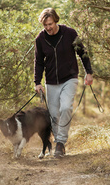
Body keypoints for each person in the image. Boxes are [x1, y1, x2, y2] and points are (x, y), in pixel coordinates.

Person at [34, 8, 94, 158]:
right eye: (45, 25)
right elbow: (39, 62)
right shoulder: (40, 39)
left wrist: (89, 72)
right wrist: (37, 82)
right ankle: (58, 142)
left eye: (50, 24)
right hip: (51, 81)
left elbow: (83, 53)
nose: (48, 27)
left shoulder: (70, 33)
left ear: (56, 21)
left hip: (69, 77)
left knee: (66, 107)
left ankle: (60, 143)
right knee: (54, 115)